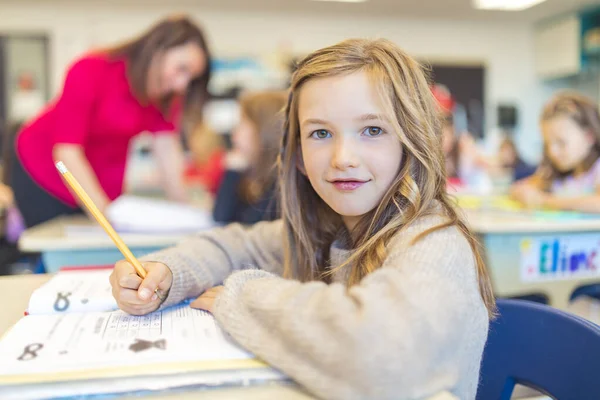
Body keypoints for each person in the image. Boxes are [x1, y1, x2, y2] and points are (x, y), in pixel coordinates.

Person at [109, 38, 495, 399]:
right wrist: (168, 271)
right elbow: (233, 245)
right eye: (321, 133)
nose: (344, 157)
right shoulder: (327, 230)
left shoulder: (435, 241)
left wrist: (243, 297)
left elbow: (381, 355)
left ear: (412, 140)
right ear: (298, 157)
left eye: (373, 129)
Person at [12, 15, 212, 228]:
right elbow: (66, 152)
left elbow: (166, 150)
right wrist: (103, 213)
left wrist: (185, 211)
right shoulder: (90, 69)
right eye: (181, 68)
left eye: (191, 77)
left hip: (100, 182)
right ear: (158, 49)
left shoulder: (164, 95)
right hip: (44, 173)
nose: (182, 85)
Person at [511, 91, 600, 213]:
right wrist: (524, 193)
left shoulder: (597, 169)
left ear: (589, 136)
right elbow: (519, 188)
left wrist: (543, 200)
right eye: (547, 144)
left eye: (561, 143)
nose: (552, 151)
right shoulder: (556, 173)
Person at [212, 90, 286, 224]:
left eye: (241, 124)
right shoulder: (253, 176)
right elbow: (220, 217)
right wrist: (232, 173)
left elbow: (250, 224)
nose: (234, 133)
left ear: (262, 130)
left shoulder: (281, 183)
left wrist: (232, 173)